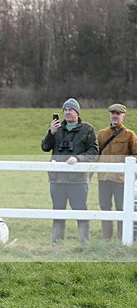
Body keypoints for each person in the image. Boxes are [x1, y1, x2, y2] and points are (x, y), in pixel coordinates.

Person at [40, 98, 99, 244]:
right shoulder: (57, 129)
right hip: (57, 179)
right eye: (65, 110)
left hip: (77, 179)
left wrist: (78, 158)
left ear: (77, 112)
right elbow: (45, 147)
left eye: (70, 110)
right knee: (58, 210)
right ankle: (57, 242)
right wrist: (51, 132)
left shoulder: (87, 129)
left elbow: (94, 151)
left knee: (80, 210)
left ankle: (84, 242)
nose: (67, 112)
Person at [96, 103, 137, 241]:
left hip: (121, 179)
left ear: (123, 116)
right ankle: (106, 238)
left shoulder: (130, 135)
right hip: (103, 178)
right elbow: (95, 155)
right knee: (104, 207)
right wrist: (88, 175)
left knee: (122, 208)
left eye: (118, 113)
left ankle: (121, 238)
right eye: (113, 113)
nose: (115, 116)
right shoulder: (102, 134)